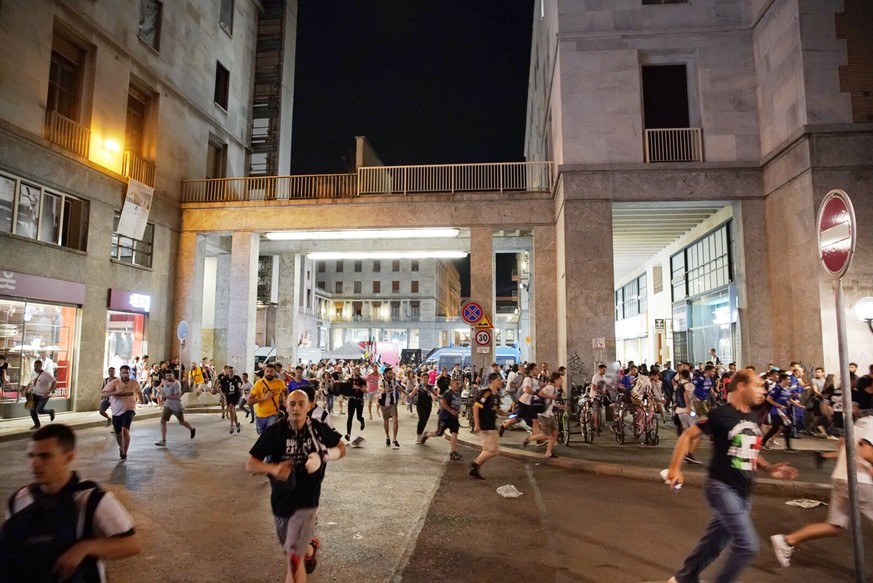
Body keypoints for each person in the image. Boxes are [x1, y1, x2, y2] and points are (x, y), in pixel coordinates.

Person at [666, 368, 799, 583]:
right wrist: (675, 468)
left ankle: (684, 577)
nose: (763, 391)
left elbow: (750, 450)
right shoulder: (720, 414)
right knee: (747, 546)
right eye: (757, 385)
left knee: (714, 543)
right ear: (741, 386)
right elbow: (688, 436)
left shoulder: (753, 416)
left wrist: (769, 468)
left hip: (743, 494)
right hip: (721, 487)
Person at [0, 424, 142, 581]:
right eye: (31, 456)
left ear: (68, 457)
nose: (35, 463)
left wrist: (86, 547)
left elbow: (132, 544)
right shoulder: (19, 500)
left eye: (45, 456)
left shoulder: (91, 498)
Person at [246, 390, 346, 583]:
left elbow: (341, 449)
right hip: (281, 501)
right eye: (292, 404)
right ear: (285, 405)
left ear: (309, 406)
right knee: (292, 548)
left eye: (301, 404)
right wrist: (274, 469)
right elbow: (251, 464)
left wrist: (322, 456)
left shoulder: (318, 429)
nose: (297, 408)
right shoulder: (275, 431)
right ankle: (309, 549)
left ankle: (303, 551)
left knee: (293, 557)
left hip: (307, 500)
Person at [770, 415, 873, 568]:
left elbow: (842, 445)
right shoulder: (871, 424)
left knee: (834, 526)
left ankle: (787, 540)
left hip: (841, 477)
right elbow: (867, 453)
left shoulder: (862, 422)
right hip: (860, 480)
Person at [470, 373, 507, 479]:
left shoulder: (496, 395)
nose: (501, 382)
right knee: (494, 451)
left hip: (491, 425)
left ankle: (475, 469)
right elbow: (476, 407)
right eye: (499, 380)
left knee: (487, 450)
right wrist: (477, 424)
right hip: (485, 426)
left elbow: (496, 410)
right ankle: (475, 463)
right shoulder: (486, 393)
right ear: (492, 381)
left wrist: (507, 413)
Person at [101, 364, 141, 461]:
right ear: (120, 373)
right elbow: (103, 393)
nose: (125, 375)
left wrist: (141, 399)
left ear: (129, 373)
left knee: (125, 430)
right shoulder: (114, 383)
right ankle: (121, 447)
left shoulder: (134, 382)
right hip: (116, 412)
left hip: (129, 409)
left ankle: (125, 453)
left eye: (127, 373)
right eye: (123, 373)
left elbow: (139, 391)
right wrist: (114, 393)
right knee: (118, 433)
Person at [420, 378, 464, 461]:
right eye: (456, 384)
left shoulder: (458, 393)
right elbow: (442, 402)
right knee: (439, 433)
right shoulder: (448, 393)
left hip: (453, 418)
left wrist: (458, 412)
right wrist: (451, 410)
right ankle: (426, 435)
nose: (458, 385)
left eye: (459, 383)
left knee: (455, 433)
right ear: (451, 385)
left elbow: (457, 404)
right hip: (445, 417)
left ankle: (453, 452)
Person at [154, 370, 195, 446]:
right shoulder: (165, 383)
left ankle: (191, 429)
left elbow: (177, 396)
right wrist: (161, 394)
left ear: (173, 375)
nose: (168, 377)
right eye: (167, 376)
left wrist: (166, 396)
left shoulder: (176, 384)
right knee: (163, 421)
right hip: (168, 405)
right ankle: (163, 440)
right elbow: (164, 392)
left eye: (170, 375)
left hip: (176, 405)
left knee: (181, 421)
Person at [247, 363, 286, 435]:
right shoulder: (259, 384)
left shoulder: (280, 383)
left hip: (273, 414)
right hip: (260, 415)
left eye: (271, 371)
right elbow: (249, 401)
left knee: (270, 434)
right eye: (267, 371)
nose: (269, 373)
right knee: (262, 435)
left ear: (275, 372)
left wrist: (285, 400)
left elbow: (285, 390)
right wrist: (264, 398)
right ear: (264, 371)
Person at [25, 359, 57, 430]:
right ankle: (37, 424)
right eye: (34, 366)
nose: (35, 368)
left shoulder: (46, 374)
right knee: (32, 410)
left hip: (43, 395)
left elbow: (54, 382)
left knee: (39, 410)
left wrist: (49, 391)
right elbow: (30, 382)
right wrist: (26, 389)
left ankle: (51, 411)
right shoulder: (33, 374)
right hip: (35, 394)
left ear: (41, 366)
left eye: (37, 366)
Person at [412, 371, 438, 443]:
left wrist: (441, 396)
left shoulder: (430, 387)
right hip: (420, 404)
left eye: (427, 378)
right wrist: (408, 397)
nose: (425, 379)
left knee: (425, 420)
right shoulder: (418, 387)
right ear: (421, 379)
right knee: (422, 419)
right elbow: (412, 394)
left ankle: (421, 434)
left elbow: (436, 394)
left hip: (428, 405)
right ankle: (418, 435)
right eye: (424, 378)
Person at [379, 367, 402, 448]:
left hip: (393, 404)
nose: (391, 374)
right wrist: (382, 390)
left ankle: (395, 439)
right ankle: (387, 437)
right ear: (385, 374)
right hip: (384, 405)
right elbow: (380, 387)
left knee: (395, 420)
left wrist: (407, 394)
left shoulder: (394, 381)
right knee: (386, 421)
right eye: (389, 373)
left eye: (391, 373)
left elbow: (399, 387)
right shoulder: (382, 381)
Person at [219, 365, 243, 434]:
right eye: (229, 371)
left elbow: (240, 385)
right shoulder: (225, 379)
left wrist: (240, 390)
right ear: (227, 372)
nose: (230, 373)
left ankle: (232, 425)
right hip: (228, 396)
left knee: (231, 408)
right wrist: (221, 394)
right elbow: (219, 387)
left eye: (232, 371)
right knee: (233, 411)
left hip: (235, 396)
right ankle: (237, 423)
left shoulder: (237, 378)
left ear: (234, 371)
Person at [345, 366, 366, 441]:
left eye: (358, 370)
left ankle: (362, 421)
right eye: (356, 370)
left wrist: (359, 388)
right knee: (350, 417)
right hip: (352, 400)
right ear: (353, 371)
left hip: (359, 400)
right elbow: (346, 389)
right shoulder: (349, 380)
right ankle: (348, 434)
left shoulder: (362, 380)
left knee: (358, 417)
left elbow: (365, 390)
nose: (357, 371)